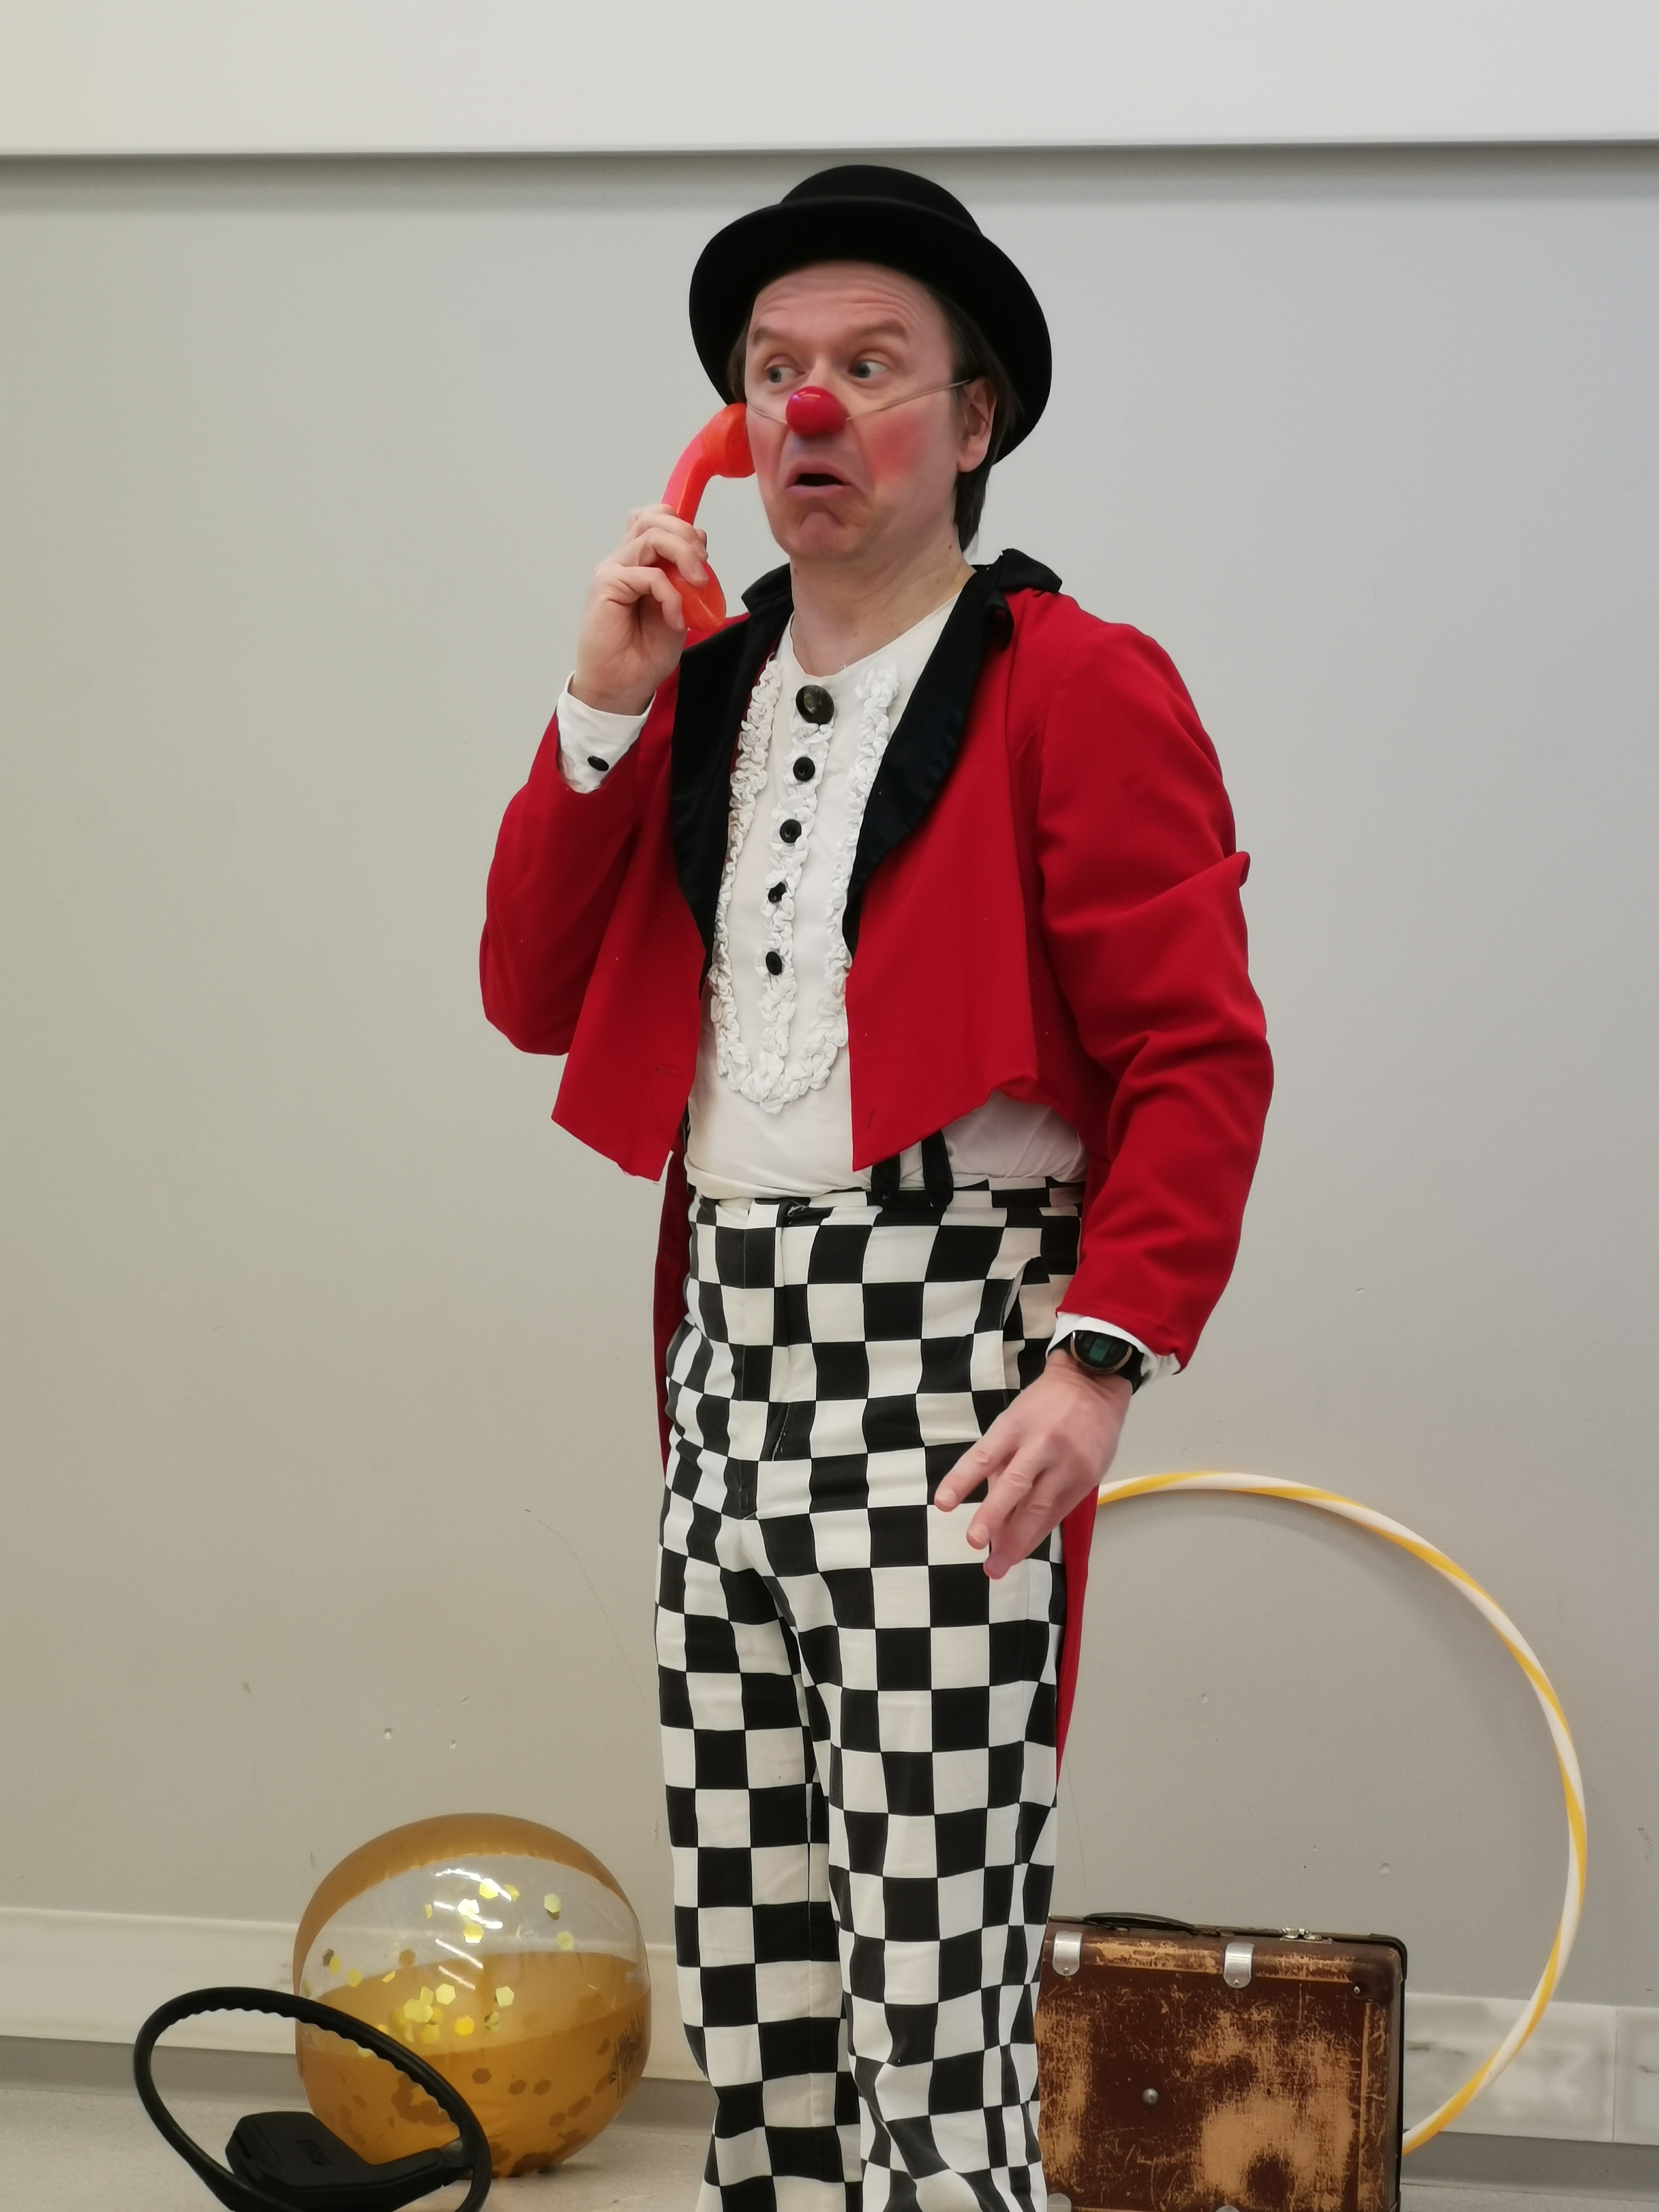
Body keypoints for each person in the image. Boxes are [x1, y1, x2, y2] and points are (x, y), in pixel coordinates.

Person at [482, 165, 1271, 2212]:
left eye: (868, 365)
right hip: (729, 1369)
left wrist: (1097, 1365)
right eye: (773, 372)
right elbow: (528, 991)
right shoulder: (697, 689)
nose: (808, 409)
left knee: (931, 1991)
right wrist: (599, 708)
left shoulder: (1077, 682)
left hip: (951, 1364)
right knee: (755, 1990)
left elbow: (1198, 1056)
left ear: (975, 417)